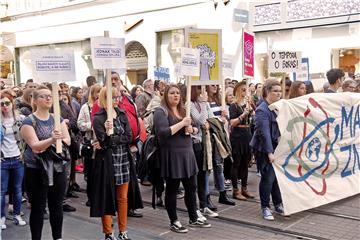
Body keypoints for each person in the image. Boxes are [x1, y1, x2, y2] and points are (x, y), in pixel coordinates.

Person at [154, 84, 211, 233]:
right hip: (172, 155)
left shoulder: (183, 110)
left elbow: (195, 127)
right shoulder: (161, 111)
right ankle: (174, 221)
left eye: (178, 93)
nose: (175, 95)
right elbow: (162, 133)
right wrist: (182, 124)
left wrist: (193, 129)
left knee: (191, 188)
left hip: (187, 153)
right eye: (172, 93)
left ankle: (193, 217)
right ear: (166, 95)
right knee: (172, 189)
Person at [20, 85, 71, 240]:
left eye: (50, 95)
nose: (48, 98)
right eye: (43, 96)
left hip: (57, 167)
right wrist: (52, 139)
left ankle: (58, 237)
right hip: (37, 169)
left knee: (57, 206)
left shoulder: (57, 119)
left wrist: (57, 140)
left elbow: (67, 140)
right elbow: (35, 146)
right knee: (38, 208)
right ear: (34, 100)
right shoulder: (29, 122)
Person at [90, 87, 132, 240]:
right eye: (113, 97)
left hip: (123, 159)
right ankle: (108, 232)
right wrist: (109, 137)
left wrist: (112, 138)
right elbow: (104, 142)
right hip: (107, 161)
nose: (117, 100)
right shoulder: (99, 117)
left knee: (123, 198)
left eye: (118, 97)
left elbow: (129, 136)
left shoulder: (121, 113)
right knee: (107, 196)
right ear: (104, 98)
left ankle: (123, 230)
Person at [250, 79, 284, 221]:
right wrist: (270, 152)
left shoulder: (277, 106)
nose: (278, 93)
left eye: (280, 91)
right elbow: (263, 133)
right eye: (275, 91)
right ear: (267, 92)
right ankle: (265, 207)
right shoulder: (262, 109)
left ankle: (277, 203)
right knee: (268, 178)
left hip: (276, 148)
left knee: (276, 178)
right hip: (264, 149)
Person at [190, 86, 218, 218]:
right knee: (194, 179)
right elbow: (200, 120)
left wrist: (208, 122)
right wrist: (203, 103)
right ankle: (195, 208)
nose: (203, 92)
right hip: (193, 145)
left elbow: (212, 120)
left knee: (203, 175)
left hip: (204, 143)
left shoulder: (204, 103)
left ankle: (204, 205)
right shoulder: (189, 104)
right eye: (199, 89)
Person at [1, 90, 27, 230]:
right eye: (2, 104)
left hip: (18, 158)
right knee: (2, 190)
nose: (5, 106)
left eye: (7, 103)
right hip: (3, 160)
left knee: (17, 190)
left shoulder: (21, 119)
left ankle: (17, 214)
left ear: (12, 104)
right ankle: (2, 217)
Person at [206, 84, 235, 206]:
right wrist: (220, 119)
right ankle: (206, 197)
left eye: (217, 85)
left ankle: (222, 194)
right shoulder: (204, 101)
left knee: (219, 165)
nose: (215, 87)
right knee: (207, 168)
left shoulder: (219, 100)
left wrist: (224, 116)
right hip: (208, 136)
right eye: (213, 85)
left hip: (218, 136)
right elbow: (208, 119)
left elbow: (225, 120)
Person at [229, 81, 255, 201]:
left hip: (247, 135)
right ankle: (235, 190)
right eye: (243, 90)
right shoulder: (233, 106)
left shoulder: (248, 104)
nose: (245, 92)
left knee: (245, 163)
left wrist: (251, 111)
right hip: (237, 136)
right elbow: (232, 123)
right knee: (237, 163)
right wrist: (243, 115)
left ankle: (244, 188)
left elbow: (254, 118)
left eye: (247, 90)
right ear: (238, 91)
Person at [77, 84, 102, 206]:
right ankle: (91, 197)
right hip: (90, 143)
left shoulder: (105, 106)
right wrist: (92, 125)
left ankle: (100, 196)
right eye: (96, 92)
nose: (98, 95)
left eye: (100, 92)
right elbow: (80, 123)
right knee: (91, 173)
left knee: (101, 173)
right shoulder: (85, 107)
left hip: (102, 144)